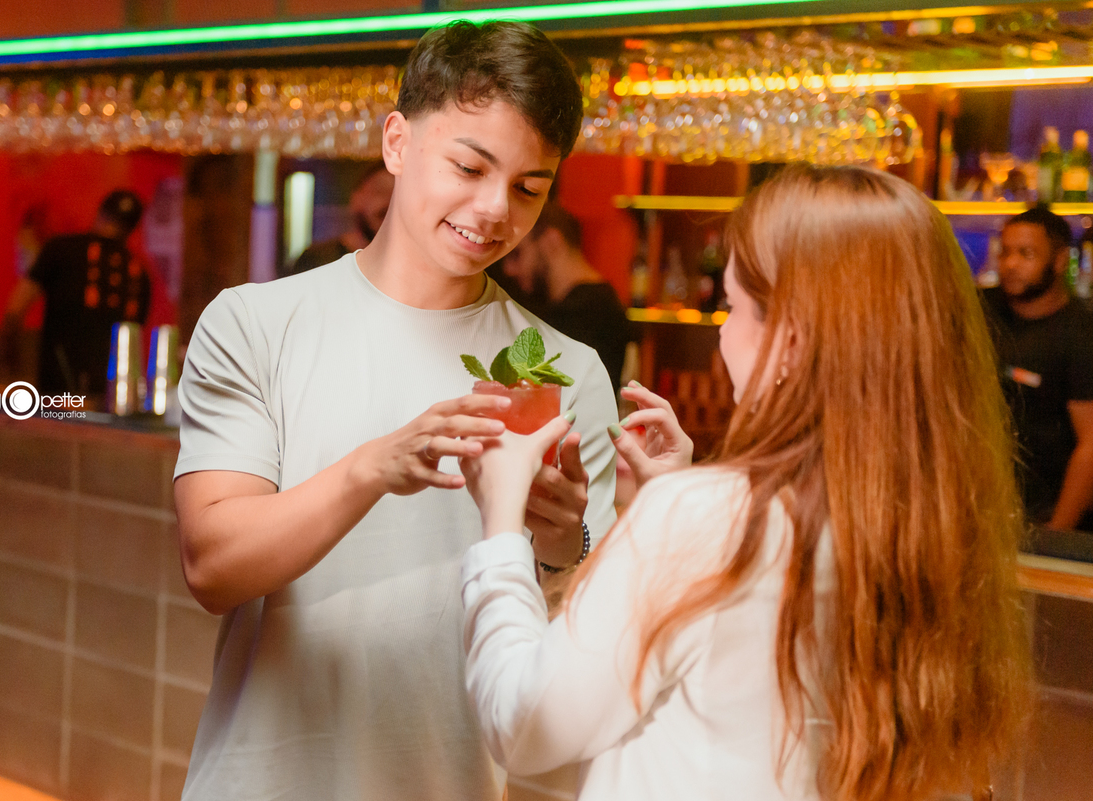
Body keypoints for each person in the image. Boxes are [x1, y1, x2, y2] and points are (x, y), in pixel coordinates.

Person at [458, 164, 1031, 801]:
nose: (723, 332)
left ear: (792, 340)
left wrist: (502, 521)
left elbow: (524, 723)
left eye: (735, 307)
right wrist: (669, 501)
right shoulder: (939, 520)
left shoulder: (703, 520)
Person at [173, 21, 618, 801]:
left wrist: (559, 540)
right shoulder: (255, 323)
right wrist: (371, 468)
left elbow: (585, 648)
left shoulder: (565, 373)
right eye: (469, 166)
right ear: (398, 142)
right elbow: (212, 565)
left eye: (528, 188)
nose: (493, 210)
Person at [981, 205, 1093, 531]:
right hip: (980, 505)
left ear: (1059, 262)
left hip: (1042, 515)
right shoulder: (980, 309)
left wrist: (1057, 532)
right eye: (1006, 253)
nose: (1011, 264)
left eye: (1026, 254)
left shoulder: (1080, 335)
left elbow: (1090, 446)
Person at [1, 189, 149, 398]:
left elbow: (15, 310)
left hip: (57, 390)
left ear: (101, 214)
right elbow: (134, 341)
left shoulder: (61, 249)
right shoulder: (139, 274)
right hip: (112, 396)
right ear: (134, 228)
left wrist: (10, 368)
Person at [503, 203, 631, 393]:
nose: (509, 269)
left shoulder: (584, 310)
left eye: (517, 254)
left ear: (551, 242)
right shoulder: (598, 301)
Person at [277, 163, 395, 277]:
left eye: (396, 194)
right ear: (356, 199)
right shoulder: (317, 260)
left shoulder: (403, 266)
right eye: (380, 191)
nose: (388, 201)